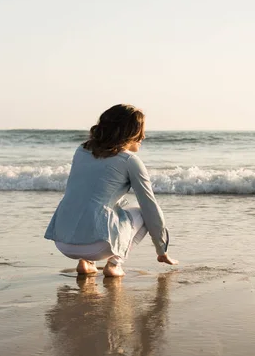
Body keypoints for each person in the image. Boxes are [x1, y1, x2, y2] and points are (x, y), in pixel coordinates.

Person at [44, 104, 178, 277]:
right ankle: (115, 264)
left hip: (62, 241)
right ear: (127, 132)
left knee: (96, 206)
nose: (143, 136)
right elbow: (150, 208)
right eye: (139, 131)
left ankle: (85, 263)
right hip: (98, 245)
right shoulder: (129, 160)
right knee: (141, 212)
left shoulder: (81, 151)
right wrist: (162, 250)